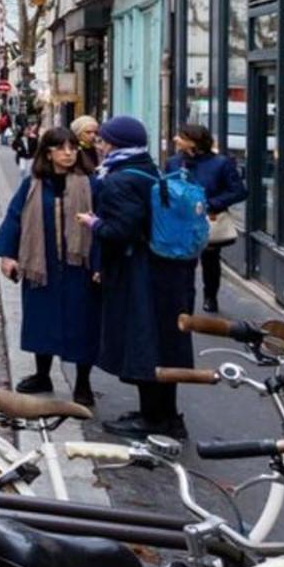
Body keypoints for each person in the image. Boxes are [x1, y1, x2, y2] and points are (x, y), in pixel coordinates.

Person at [85, 115, 195, 439]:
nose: (100, 146)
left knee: (143, 344)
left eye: (103, 140)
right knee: (166, 344)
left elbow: (121, 231)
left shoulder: (119, 180)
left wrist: (93, 223)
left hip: (141, 274)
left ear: (116, 144)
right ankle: (168, 415)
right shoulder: (149, 168)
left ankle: (152, 419)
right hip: (169, 271)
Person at [0, 127, 101, 407]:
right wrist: (8, 255)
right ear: (48, 152)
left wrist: (100, 264)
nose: (68, 153)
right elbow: (15, 218)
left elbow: (103, 226)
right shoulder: (33, 184)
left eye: (73, 148)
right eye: (61, 148)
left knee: (83, 324)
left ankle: (83, 383)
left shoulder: (91, 183)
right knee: (42, 320)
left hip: (80, 266)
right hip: (42, 263)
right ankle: (42, 375)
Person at [168, 123, 248, 315]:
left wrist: (210, 204)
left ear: (193, 141)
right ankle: (185, 304)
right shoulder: (173, 162)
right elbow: (167, 187)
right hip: (182, 220)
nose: (175, 139)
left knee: (210, 261)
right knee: (184, 263)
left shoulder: (221, 163)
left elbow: (238, 191)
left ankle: (210, 296)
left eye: (180, 136)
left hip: (209, 220)